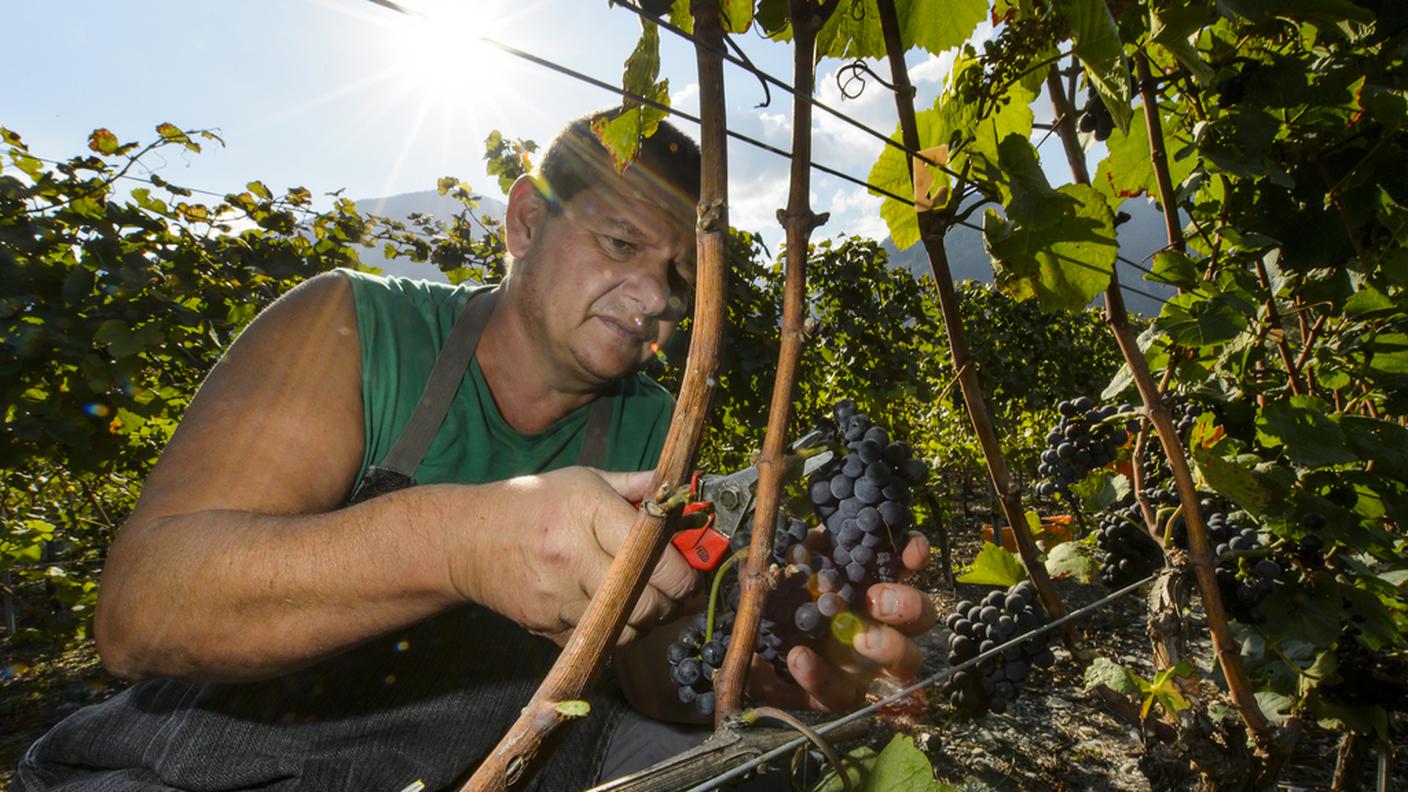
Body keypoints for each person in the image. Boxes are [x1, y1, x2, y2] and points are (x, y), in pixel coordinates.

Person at [13, 111, 936, 791]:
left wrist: (769, 657)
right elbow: (138, 612)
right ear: (527, 222)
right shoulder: (350, 327)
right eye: (621, 241)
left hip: (520, 759)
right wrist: (455, 544)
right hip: (217, 765)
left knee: (770, 770)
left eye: (681, 278)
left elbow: (643, 669)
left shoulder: (658, 423)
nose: (656, 298)